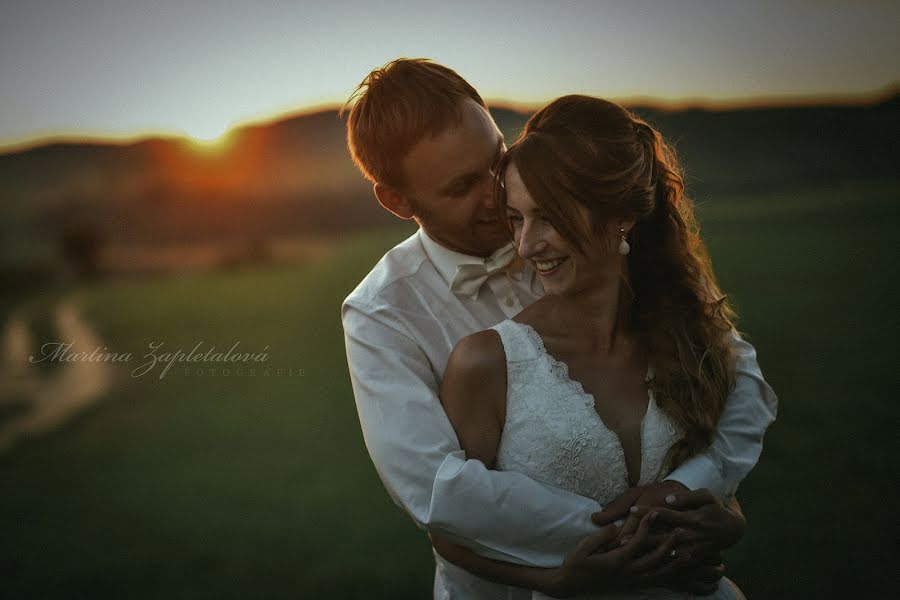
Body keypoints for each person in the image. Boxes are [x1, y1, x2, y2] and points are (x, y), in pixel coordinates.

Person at [341, 59, 777, 598]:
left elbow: (728, 370)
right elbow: (437, 492)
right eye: (461, 187)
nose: (496, 195)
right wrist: (627, 546)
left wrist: (708, 501)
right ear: (397, 201)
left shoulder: (593, 237)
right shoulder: (382, 313)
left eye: (496, 161)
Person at [432, 94, 755, 598]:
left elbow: (719, 487)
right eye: (517, 218)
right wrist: (558, 580)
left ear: (622, 213)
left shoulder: (689, 339)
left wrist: (729, 525)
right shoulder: (488, 362)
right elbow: (452, 530)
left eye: (549, 216)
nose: (526, 245)